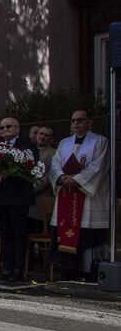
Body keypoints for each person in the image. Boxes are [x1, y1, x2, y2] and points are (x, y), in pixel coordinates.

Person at [49, 110, 110, 281]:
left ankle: (89, 272)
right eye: (73, 120)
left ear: (90, 122)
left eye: (80, 120)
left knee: (87, 235)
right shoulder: (64, 143)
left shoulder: (100, 141)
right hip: (66, 196)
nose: (76, 123)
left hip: (88, 199)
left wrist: (77, 180)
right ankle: (69, 271)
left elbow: (99, 166)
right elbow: (55, 164)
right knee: (66, 232)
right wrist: (61, 177)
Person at [0, 116, 38, 281]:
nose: (5, 130)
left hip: (19, 196)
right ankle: (7, 267)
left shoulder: (27, 145)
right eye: (2, 127)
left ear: (17, 128)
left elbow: (31, 168)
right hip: (2, 196)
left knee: (19, 234)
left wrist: (11, 171)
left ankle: (18, 268)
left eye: (8, 126)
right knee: (5, 233)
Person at [29, 125, 57, 229]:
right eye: (41, 134)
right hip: (26, 202)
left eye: (46, 135)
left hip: (41, 201)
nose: (42, 137)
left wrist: (30, 189)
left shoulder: (54, 153)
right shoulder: (29, 150)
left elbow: (49, 177)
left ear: (51, 139)